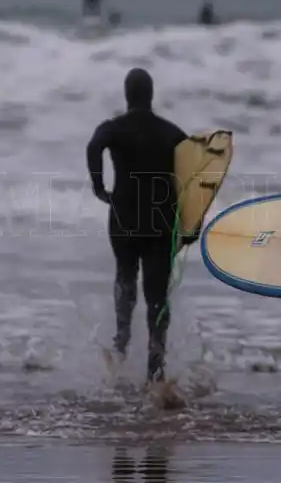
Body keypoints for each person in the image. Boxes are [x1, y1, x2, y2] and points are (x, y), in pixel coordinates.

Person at [86, 68, 195, 384]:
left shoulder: (113, 129)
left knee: (125, 276)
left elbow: (94, 146)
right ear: (151, 94)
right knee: (157, 295)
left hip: (124, 219)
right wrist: (191, 225)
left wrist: (98, 186)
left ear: (126, 94)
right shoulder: (172, 133)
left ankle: (121, 342)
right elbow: (195, 180)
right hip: (160, 224)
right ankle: (155, 365)